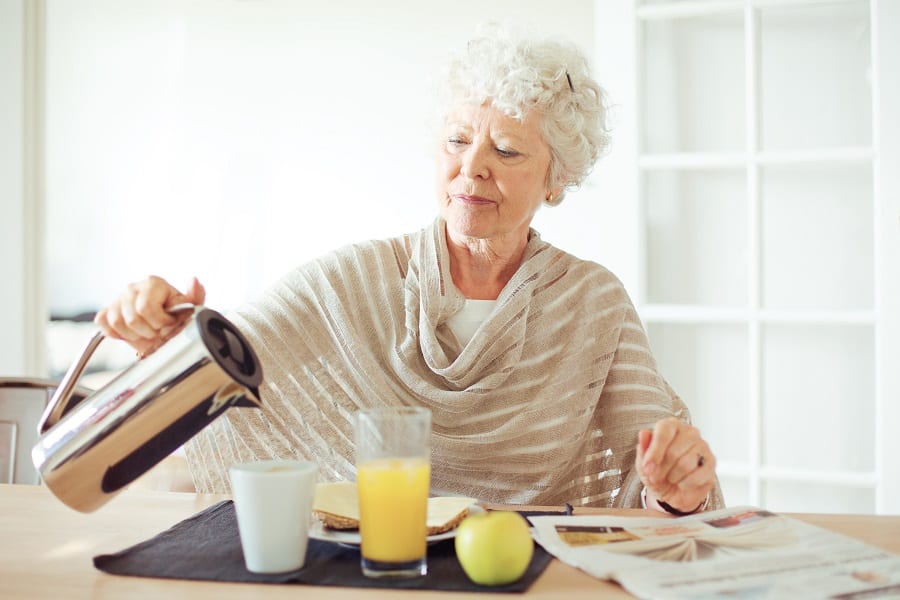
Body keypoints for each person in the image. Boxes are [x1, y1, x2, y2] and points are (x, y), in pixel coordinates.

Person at [95, 25, 724, 514]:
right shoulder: (356, 281)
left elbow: (662, 484)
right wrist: (164, 328)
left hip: (530, 579)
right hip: (369, 569)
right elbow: (221, 360)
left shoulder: (593, 304)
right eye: (457, 140)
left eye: (506, 149)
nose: (472, 167)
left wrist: (677, 486)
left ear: (557, 180)